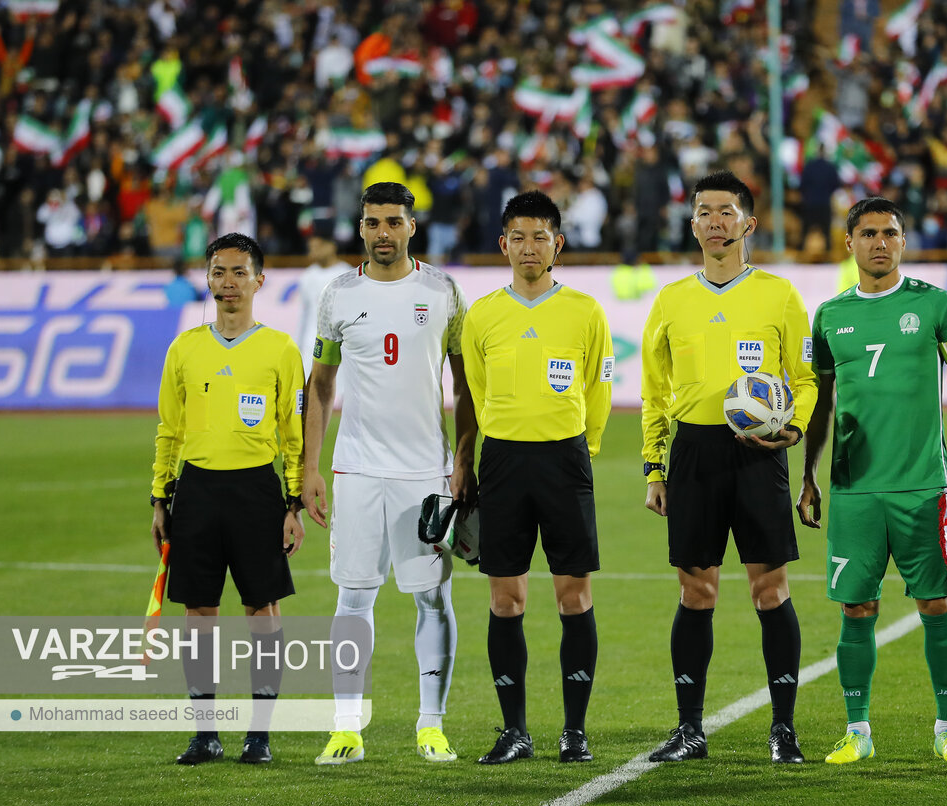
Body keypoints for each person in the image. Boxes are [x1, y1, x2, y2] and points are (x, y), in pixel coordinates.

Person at [640, 170, 816, 764]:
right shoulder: (671, 300)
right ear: (692, 225)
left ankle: (783, 729)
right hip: (692, 452)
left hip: (758, 455)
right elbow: (654, 392)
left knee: (769, 589)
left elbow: (808, 376)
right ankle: (690, 730)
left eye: (725, 212)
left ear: (748, 223)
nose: (714, 222)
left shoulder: (779, 294)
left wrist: (794, 428)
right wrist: (653, 467)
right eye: (704, 213)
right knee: (697, 590)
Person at [797, 197, 947, 765]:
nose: (881, 242)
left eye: (891, 233)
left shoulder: (935, 307)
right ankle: (858, 731)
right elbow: (821, 402)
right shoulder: (828, 316)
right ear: (848, 242)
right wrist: (807, 474)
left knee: (936, 604)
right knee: (856, 609)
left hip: (923, 486)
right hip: (854, 489)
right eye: (869, 233)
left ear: (904, 241)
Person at [302, 182, 477, 765]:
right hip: (356, 469)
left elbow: (465, 384)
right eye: (373, 223)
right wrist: (312, 467)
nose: (383, 233)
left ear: (411, 227)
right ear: (360, 228)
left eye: (393, 222)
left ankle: (431, 725)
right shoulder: (338, 295)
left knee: (431, 597)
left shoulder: (443, 291)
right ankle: (347, 726)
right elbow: (320, 386)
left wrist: (463, 458)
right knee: (353, 597)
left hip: (424, 472)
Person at [460, 191, 614, 764]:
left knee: (573, 597)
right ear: (503, 245)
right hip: (501, 462)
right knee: (506, 599)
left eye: (540, 236)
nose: (529, 247)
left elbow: (598, 385)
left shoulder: (585, 310)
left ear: (558, 243)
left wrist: (586, 448)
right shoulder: (482, 315)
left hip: (564, 460)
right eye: (519, 237)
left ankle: (575, 731)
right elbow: (475, 393)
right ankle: (514, 731)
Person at [149, 232, 306, 766]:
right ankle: (205, 731)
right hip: (196, 489)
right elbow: (168, 430)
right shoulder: (185, 349)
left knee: (262, 610)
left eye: (240, 272)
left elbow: (293, 433)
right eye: (219, 272)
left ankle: (258, 734)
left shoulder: (281, 349)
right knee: (199, 611)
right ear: (208, 279)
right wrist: (159, 498)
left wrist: (292, 505)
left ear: (259, 280)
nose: (228, 283)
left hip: (258, 492)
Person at [294, 226, 352, 377]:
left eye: (318, 246)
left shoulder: (347, 274)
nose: (314, 250)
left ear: (331, 246)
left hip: (340, 344)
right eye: (311, 246)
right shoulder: (307, 276)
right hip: (311, 342)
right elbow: (303, 314)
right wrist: (298, 344)